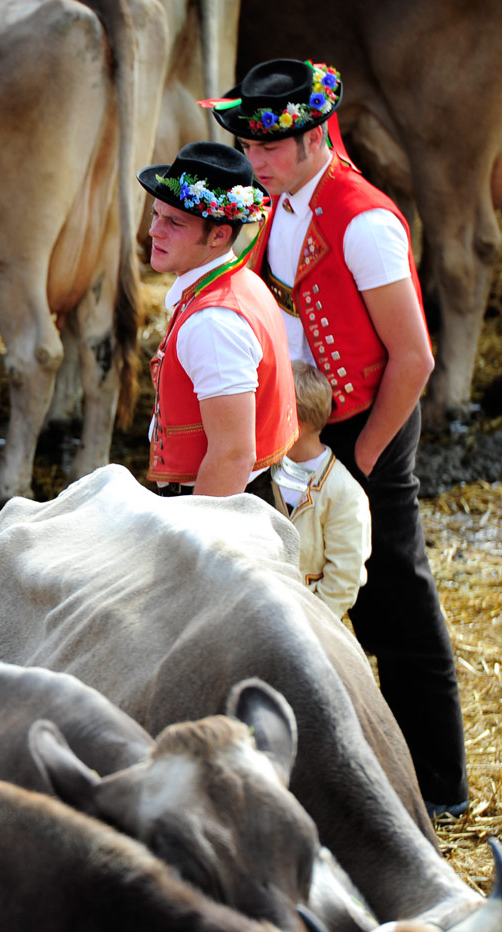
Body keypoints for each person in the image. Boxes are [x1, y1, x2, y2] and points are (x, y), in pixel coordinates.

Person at [213, 58, 469, 815]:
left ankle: (442, 791)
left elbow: (416, 358)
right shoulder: (284, 200)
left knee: (394, 589)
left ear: (315, 136)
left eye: (265, 146)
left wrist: (357, 462)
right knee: (300, 585)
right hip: (303, 417)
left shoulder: (365, 222)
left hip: (366, 420)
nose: (252, 161)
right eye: (249, 145)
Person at [138, 142, 298, 497]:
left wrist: (197, 544)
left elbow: (232, 455)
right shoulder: (235, 283)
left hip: (220, 510)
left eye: (175, 222)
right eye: (155, 215)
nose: (154, 231)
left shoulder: (213, 322)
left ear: (220, 235)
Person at [271, 362, 371, 619]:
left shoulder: (344, 493)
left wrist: (311, 624)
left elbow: (344, 580)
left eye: (274, 412)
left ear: (295, 424)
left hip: (310, 624)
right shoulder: (265, 472)